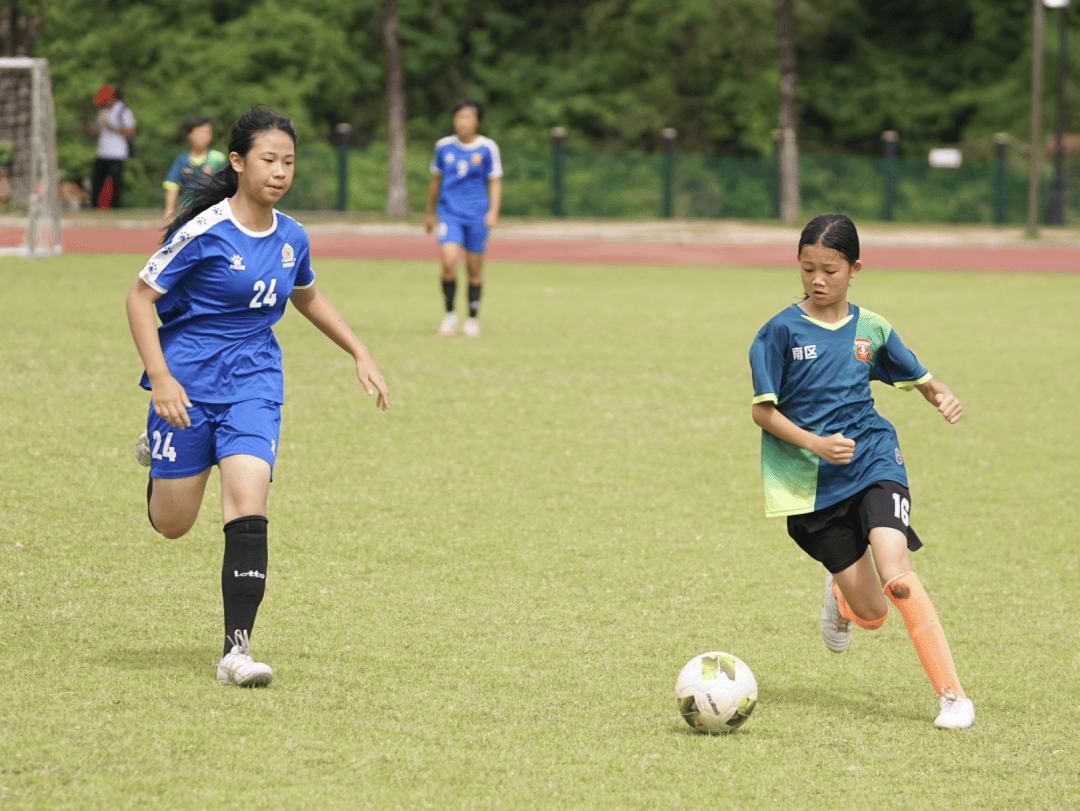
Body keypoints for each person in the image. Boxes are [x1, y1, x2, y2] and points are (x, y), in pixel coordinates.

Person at [125, 106, 389, 687]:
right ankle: (157, 452)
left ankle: (236, 652)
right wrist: (161, 378)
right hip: (186, 390)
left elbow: (308, 297)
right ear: (239, 162)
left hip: (254, 383)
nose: (280, 171)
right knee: (173, 524)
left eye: (288, 161)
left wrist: (358, 350)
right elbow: (139, 299)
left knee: (248, 502)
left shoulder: (292, 236)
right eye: (268, 160)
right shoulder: (204, 231)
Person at [748, 213, 974, 729]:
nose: (817, 280)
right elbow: (763, 410)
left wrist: (939, 394)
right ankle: (841, 594)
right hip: (811, 487)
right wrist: (815, 445)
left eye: (829, 269)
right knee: (873, 614)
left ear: (855, 268)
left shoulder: (870, 328)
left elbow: (917, 374)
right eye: (807, 269)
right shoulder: (778, 332)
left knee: (897, 575)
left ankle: (953, 697)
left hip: (873, 458)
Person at [424, 98, 502, 337]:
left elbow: (495, 182)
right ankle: (449, 315)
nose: (462, 122)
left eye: (468, 117)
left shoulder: (488, 148)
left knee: (473, 268)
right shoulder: (443, 146)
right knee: (448, 261)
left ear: (477, 121)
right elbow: (435, 182)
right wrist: (429, 212)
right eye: (459, 117)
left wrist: (493, 212)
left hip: (477, 214)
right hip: (449, 213)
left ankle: (472, 318)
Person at [163, 116, 227, 222]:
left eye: (207, 132)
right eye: (199, 132)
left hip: (213, 210)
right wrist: (169, 210)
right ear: (189, 135)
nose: (203, 136)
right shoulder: (181, 160)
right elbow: (172, 185)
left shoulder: (218, 158)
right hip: (187, 210)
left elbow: (228, 186)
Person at [89, 85, 136, 209]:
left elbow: (131, 132)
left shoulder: (124, 111)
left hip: (117, 154)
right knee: (96, 182)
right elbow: (99, 130)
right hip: (101, 152)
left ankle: (116, 208)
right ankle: (94, 206)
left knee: (116, 184)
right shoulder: (103, 111)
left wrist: (112, 127)